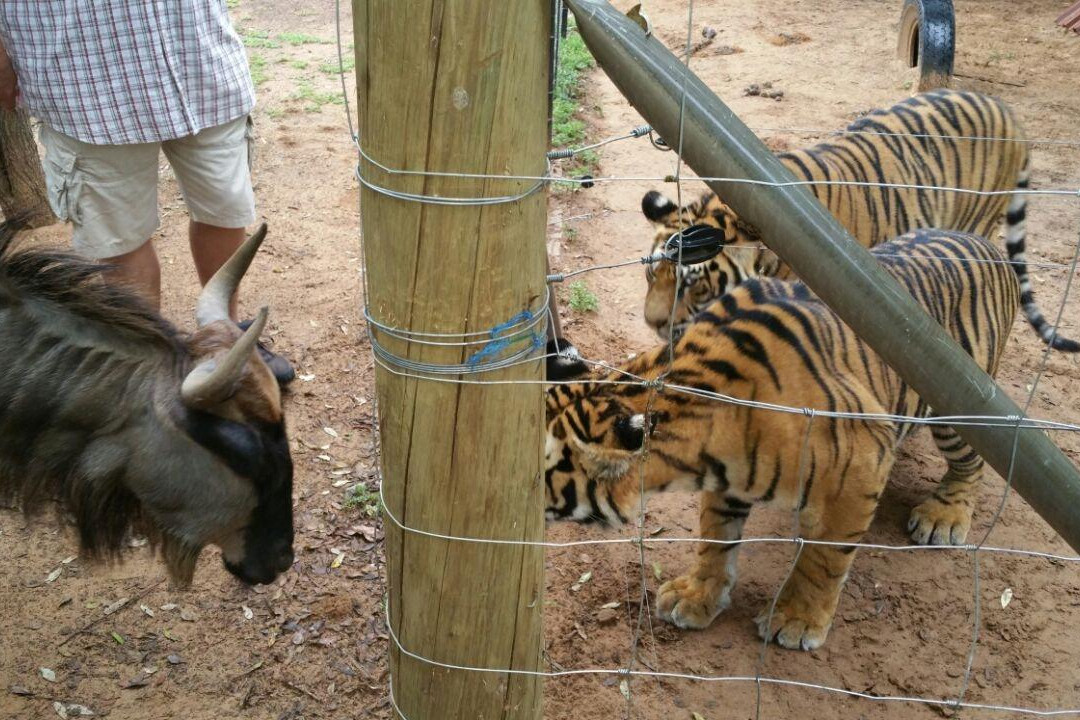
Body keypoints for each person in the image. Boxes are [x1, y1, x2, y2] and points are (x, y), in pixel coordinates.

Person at [0, 2, 294, 384]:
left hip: (197, 56)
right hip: (81, 77)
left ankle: (224, 341)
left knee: (224, 209)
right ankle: (151, 366)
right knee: (120, 237)